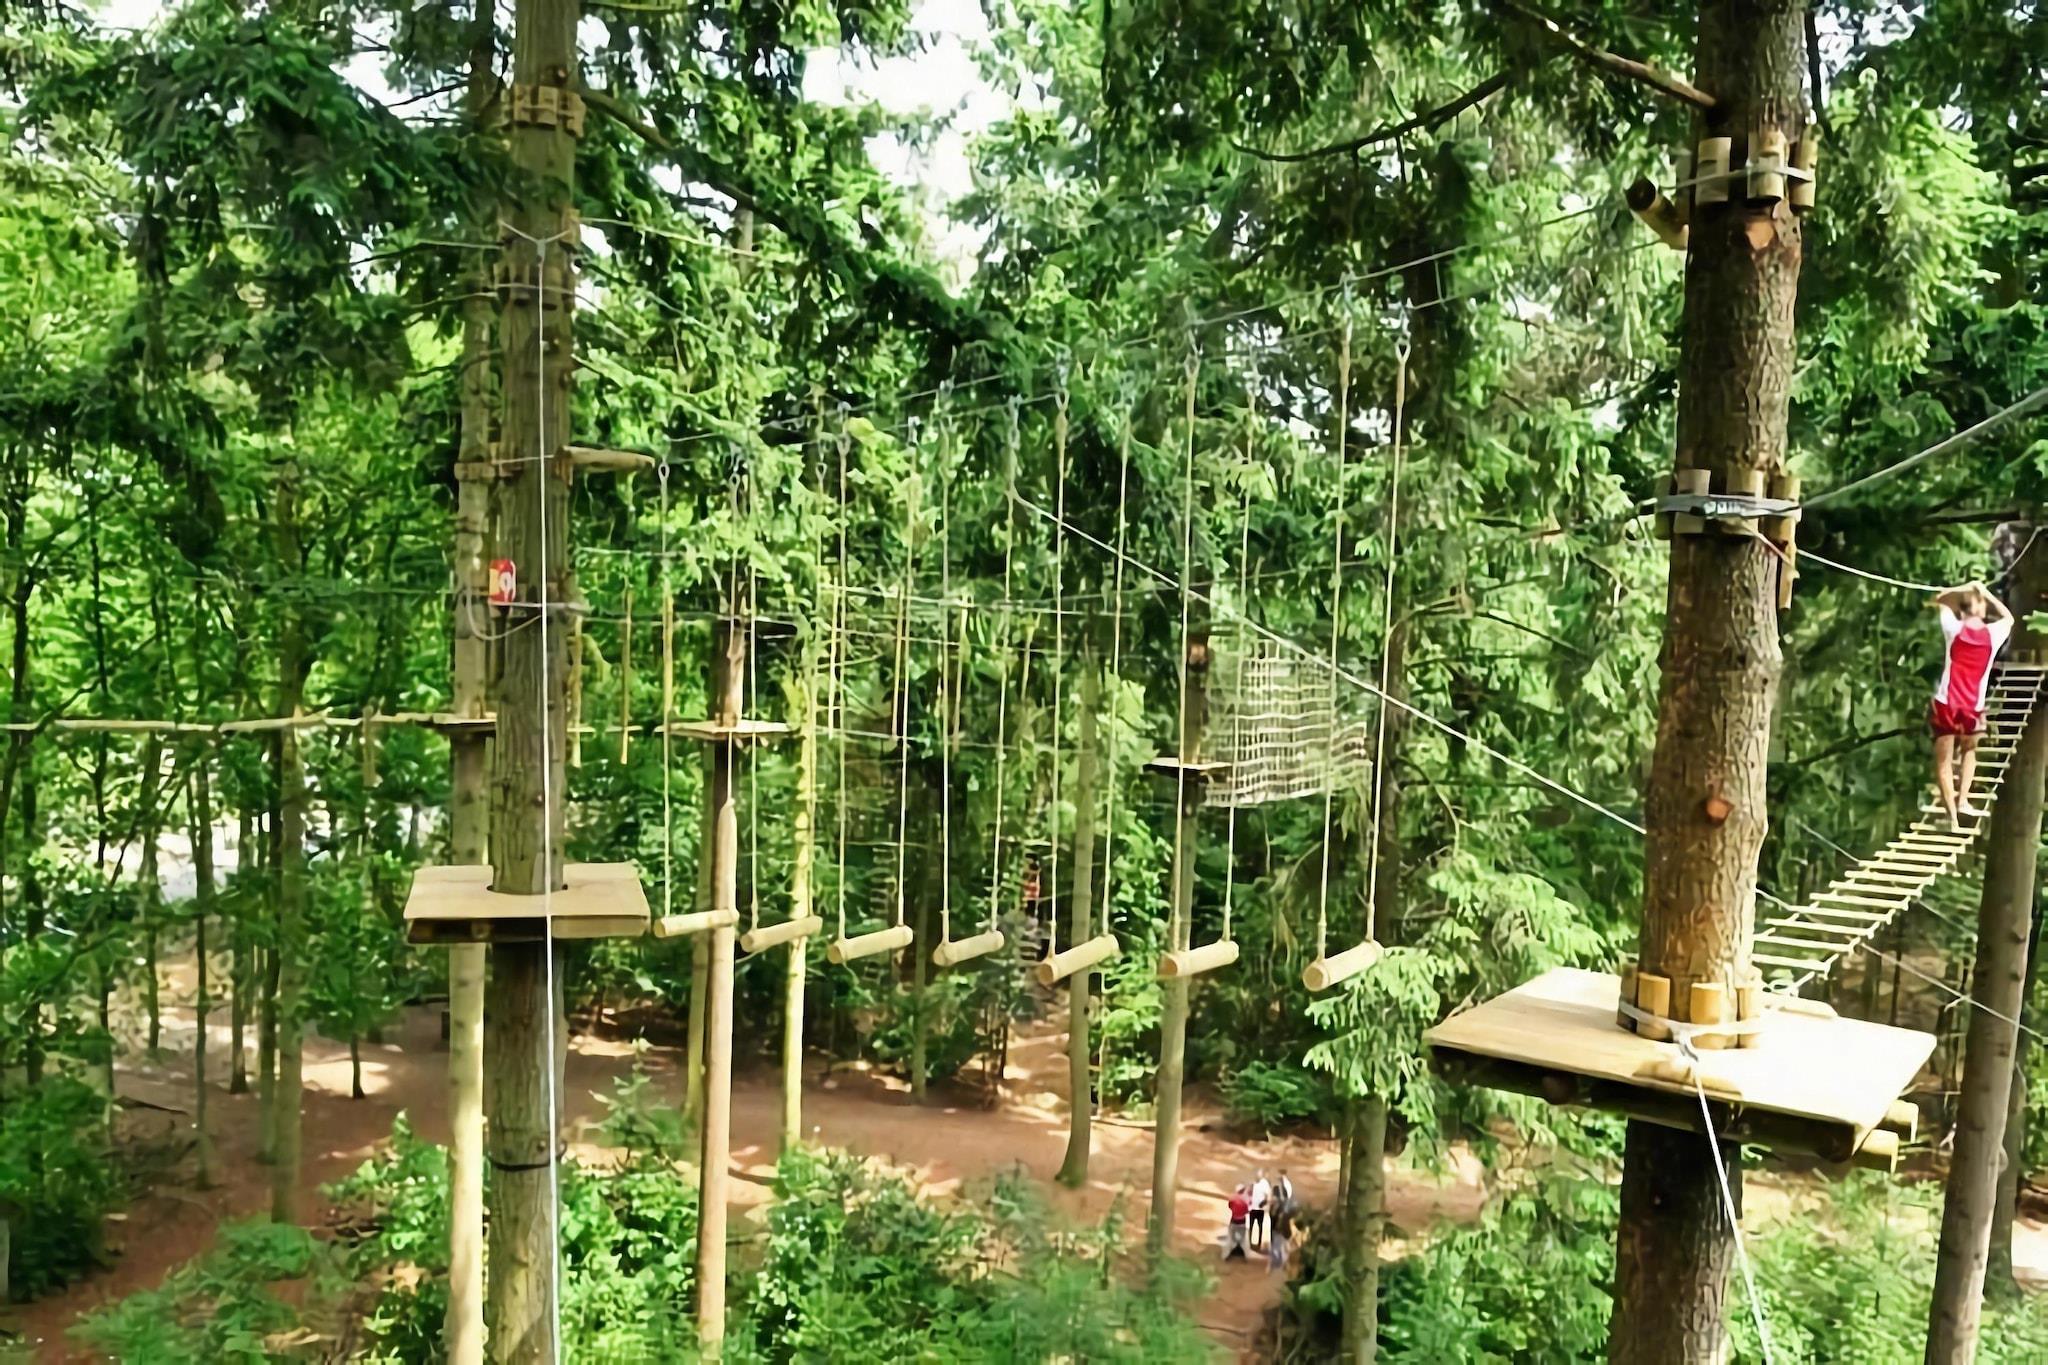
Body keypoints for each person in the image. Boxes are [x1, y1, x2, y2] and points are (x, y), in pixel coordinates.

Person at [1930, 581, 2015, 830]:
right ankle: (1963, 801)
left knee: (1944, 762)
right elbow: (2009, 619)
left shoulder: (1952, 628)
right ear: (1980, 609)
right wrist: (1984, 592)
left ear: (1962, 609)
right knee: (1969, 752)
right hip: (1973, 706)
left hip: (1947, 703)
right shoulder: (1993, 635)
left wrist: (1965, 588)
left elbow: (1940, 598)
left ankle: (1951, 816)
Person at [1223, 1184, 1250, 1261]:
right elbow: (1246, 1211)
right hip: (1242, 1221)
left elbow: (1230, 1206)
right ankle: (1245, 1256)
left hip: (1234, 1220)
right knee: (1243, 1239)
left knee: (1230, 1238)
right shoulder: (1245, 1199)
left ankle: (1226, 1255)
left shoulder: (1233, 1198)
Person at [1268, 1197, 1295, 1275]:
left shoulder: (1283, 1213)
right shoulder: (1274, 1210)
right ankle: (1284, 1266)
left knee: (1282, 1250)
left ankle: (1284, 1266)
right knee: (1278, 1250)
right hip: (1277, 1232)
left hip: (1282, 1233)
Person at [1248, 1170, 1271, 1251]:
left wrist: (1263, 1204)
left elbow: (1267, 1196)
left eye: (1258, 1175)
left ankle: (1258, 1243)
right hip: (1253, 1208)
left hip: (1259, 1209)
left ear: (1261, 1175)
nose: (1257, 1176)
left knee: (1259, 1227)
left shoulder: (1264, 1183)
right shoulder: (1254, 1183)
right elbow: (1250, 1193)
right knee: (1252, 1227)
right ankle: (1251, 1243)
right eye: (1257, 1175)